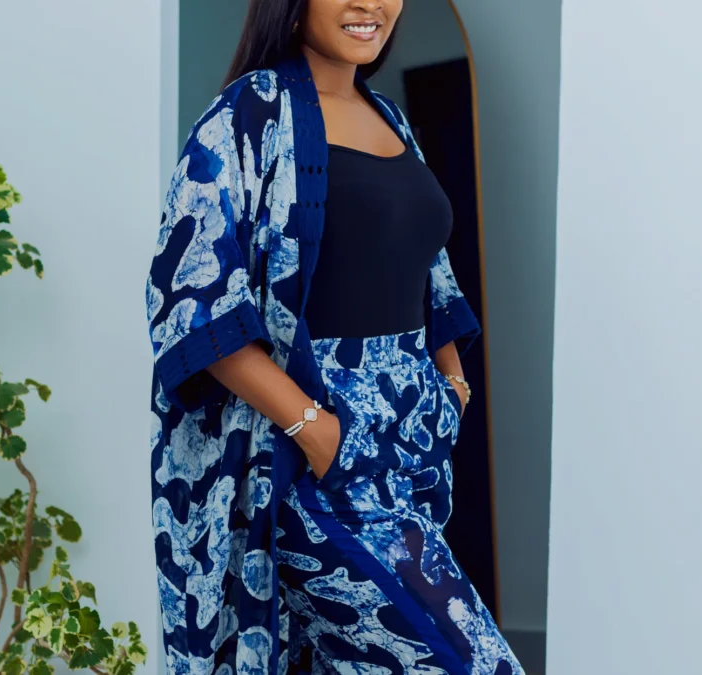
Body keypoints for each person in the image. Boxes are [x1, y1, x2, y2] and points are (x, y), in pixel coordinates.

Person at [146, 1, 524, 672]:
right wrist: (316, 430)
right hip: (314, 464)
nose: (369, 3)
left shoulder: (390, 118)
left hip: (406, 454)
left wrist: (453, 384)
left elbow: (430, 271)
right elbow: (192, 299)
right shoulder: (250, 113)